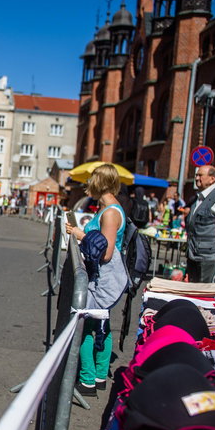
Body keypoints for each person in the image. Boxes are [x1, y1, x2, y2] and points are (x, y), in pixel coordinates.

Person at [65, 164, 128, 397]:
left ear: (99, 182)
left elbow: (107, 252)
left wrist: (79, 234)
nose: (88, 184)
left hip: (103, 277)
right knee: (101, 325)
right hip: (101, 276)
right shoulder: (108, 209)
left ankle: (87, 380)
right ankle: (99, 376)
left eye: (92, 179)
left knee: (86, 325)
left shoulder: (111, 212)